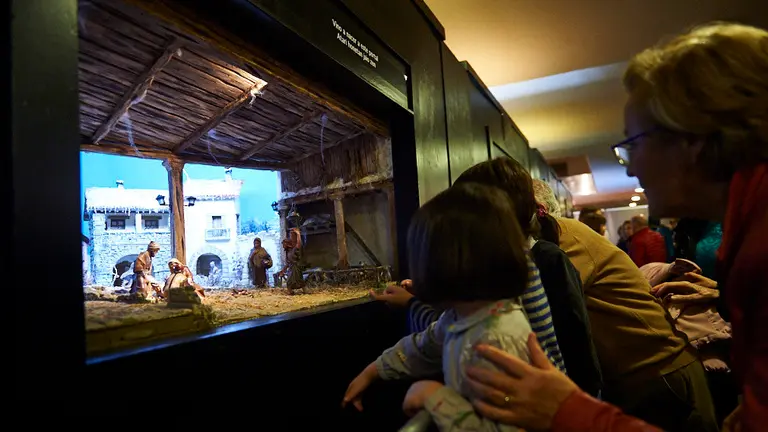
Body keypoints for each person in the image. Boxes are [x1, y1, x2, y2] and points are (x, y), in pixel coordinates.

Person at [464, 22, 768, 432]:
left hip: (658, 381)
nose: (633, 167)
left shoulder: (761, 251)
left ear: (692, 140)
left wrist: (566, 411)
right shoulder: (748, 232)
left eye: (634, 144)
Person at [343, 182, 532, 430]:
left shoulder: (496, 341)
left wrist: (432, 396)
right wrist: (375, 370)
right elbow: (425, 345)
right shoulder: (464, 315)